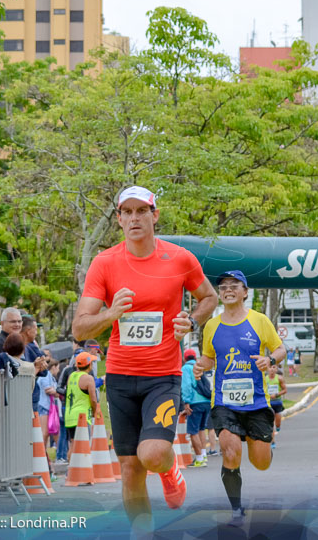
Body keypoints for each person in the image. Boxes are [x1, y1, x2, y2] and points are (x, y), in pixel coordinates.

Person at [72, 185, 218, 529]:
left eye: (142, 211)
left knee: (151, 454)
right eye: (127, 212)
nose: (134, 218)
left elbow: (209, 298)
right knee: (130, 469)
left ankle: (169, 469)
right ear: (119, 219)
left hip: (163, 375)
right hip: (121, 378)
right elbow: (80, 329)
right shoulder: (105, 263)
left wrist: (191, 320)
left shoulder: (180, 258)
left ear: (155, 215)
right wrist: (110, 315)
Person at [192, 270, 285, 525]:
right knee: (230, 451)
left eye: (234, 285)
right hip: (224, 402)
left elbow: (280, 348)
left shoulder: (259, 320)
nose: (228, 289)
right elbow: (209, 357)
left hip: (256, 402)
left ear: (245, 292)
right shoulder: (212, 325)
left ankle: (262, 446)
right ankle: (236, 509)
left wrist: (270, 359)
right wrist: (201, 365)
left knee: (261, 462)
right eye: (223, 287)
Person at [180, 348, 212, 467]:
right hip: (206, 401)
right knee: (202, 429)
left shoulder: (186, 368)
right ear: (195, 358)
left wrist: (186, 402)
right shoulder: (200, 367)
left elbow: (187, 386)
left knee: (193, 431)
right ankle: (203, 456)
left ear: (184, 358)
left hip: (195, 402)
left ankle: (199, 459)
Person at [64, 351, 101, 444]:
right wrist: (94, 411)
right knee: (83, 447)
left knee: (73, 446)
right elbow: (93, 399)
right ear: (90, 365)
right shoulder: (88, 378)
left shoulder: (71, 376)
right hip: (82, 416)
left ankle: (69, 459)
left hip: (69, 415)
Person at [266, 363, 287, 448]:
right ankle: (272, 441)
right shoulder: (264, 379)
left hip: (277, 402)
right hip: (268, 403)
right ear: (267, 369)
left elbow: (285, 390)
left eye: (273, 367)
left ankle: (278, 427)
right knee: (270, 423)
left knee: (277, 423)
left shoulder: (279, 378)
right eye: (270, 367)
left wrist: (277, 394)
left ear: (276, 369)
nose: (271, 369)